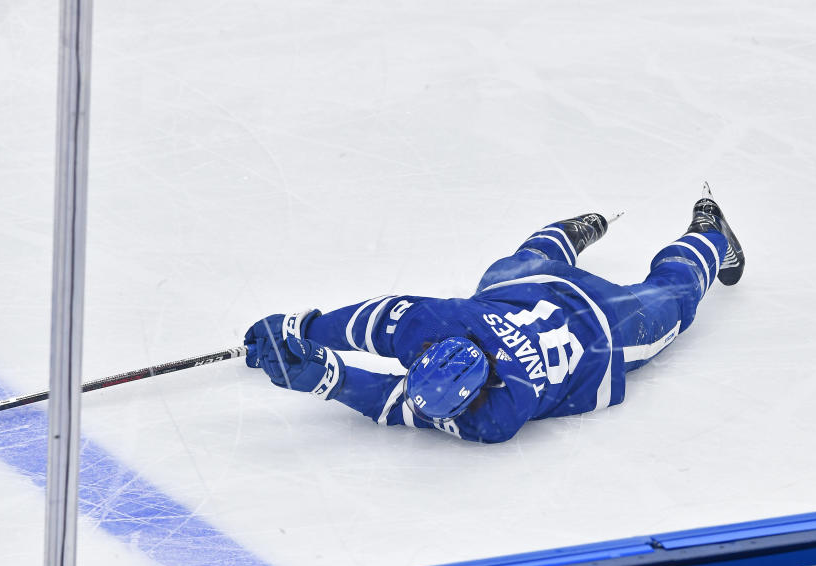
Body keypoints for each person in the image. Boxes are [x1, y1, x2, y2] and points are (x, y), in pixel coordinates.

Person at [243, 184, 744, 443]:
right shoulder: (438, 327)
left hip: (601, 331)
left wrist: (327, 373)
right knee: (520, 266)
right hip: (538, 297)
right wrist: (301, 330)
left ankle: (709, 230)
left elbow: (395, 401)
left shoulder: (500, 415)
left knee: (672, 302)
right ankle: (600, 229)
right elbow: (372, 325)